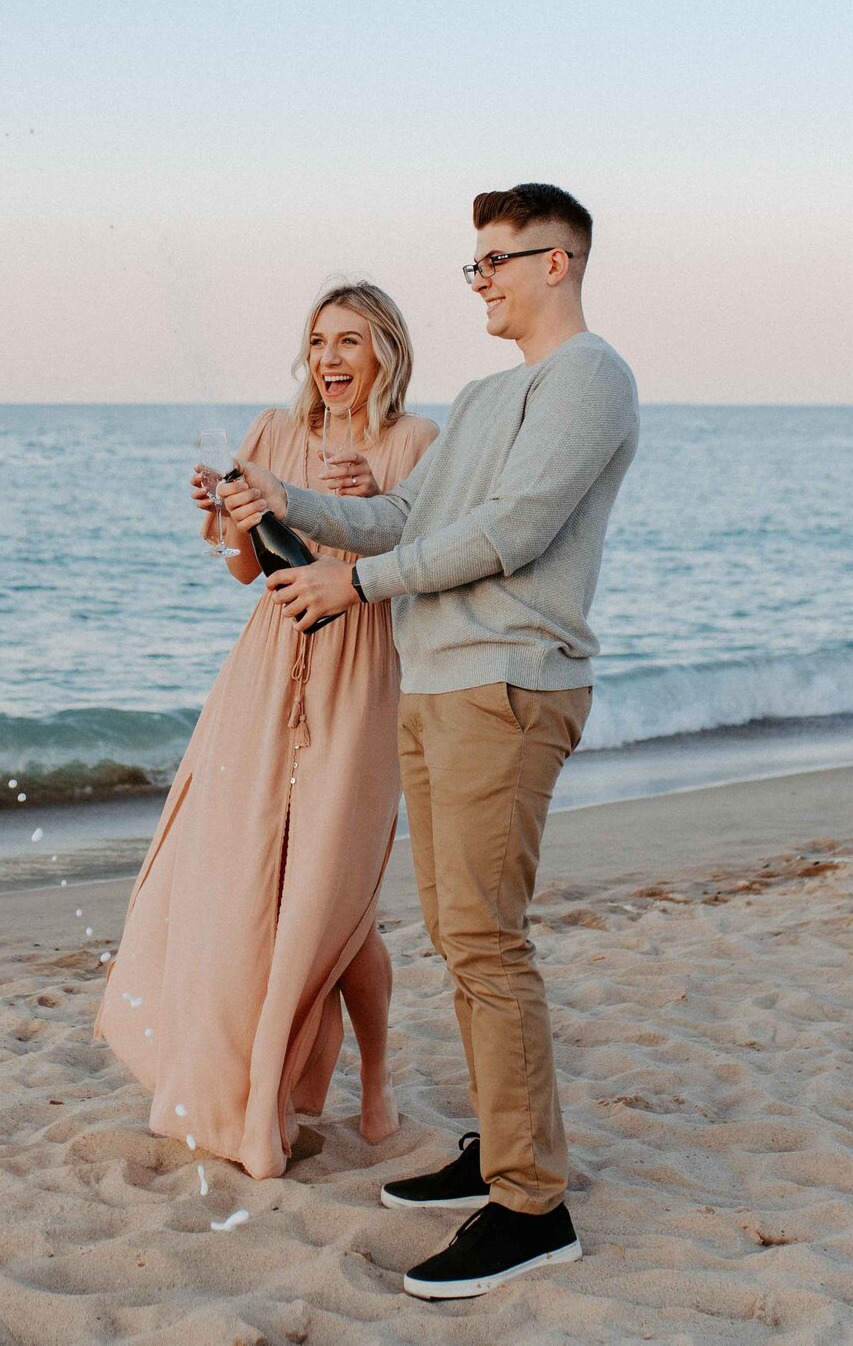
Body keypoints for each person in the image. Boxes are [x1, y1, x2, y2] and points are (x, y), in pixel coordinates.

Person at [220, 183, 639, 1301]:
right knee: (461, 938)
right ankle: (504, 1151)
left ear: (559, 262)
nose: (482, 281)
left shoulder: (587, 377)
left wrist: (352, 582)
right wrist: (284, 495)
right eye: (475, 265)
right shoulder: (490, 393)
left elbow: (513, 532)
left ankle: (531, 1206)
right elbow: (410, 518)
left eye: (498, 261)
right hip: (441, 684)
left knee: (488, 942)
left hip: (507, 687)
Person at [98, 281, 438, 1179]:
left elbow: (424, 565)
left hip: (361, 673)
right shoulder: (275, 432)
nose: (329, 359)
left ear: (385, 353)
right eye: (318, 341)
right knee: (251, 877)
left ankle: (352, 1082)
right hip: (266, 664)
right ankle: (268, 1094)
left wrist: (375, 502)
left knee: (337, 890)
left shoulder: (416, 444)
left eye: (350, 341)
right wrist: (228, 514)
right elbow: (245, 571)